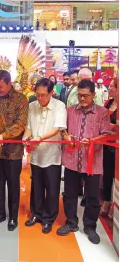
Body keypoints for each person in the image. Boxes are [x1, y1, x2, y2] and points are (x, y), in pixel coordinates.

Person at [57, 79, 111, 245]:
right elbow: (62, 130)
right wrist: (66, 136)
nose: (82, 99)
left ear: (94, 95)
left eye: (86, 96)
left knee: (92, 197)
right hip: (72, 160)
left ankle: (90, 227)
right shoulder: (70, 111)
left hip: (92, 162)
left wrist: (93, 141)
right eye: (80, 96)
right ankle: (71, 222)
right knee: (70, 194)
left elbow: (106, 135)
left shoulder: (102, 113)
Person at [0, 70, 28, 231]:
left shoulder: (21, 99)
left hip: (13, 151)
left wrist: (3, 135)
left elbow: (21, 124)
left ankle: (13, 218)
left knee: (13, 185)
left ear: (9, 83)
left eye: (0, 86)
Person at [23, 78, 67, 234]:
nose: (40, 98)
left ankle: (48, 218)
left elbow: (56, 129)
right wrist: (26, 138)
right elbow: (28, 127)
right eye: (38, 94)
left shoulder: (60, 106)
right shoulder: (32, 106)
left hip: (52, 155)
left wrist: (40, 138)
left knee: (52, 188)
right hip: (36, 154)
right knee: (37, 186)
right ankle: (36, 214)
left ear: (51, 93)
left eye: (43, 95)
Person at [101, 77, 118, 218]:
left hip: (116, 147)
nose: (110, 88)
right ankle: (107, 201)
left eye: (113, 86)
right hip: (106, 146)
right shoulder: (108, 103)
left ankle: (115, 206)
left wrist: (111, 127)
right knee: (107, 175)